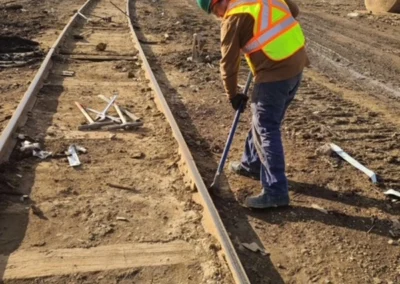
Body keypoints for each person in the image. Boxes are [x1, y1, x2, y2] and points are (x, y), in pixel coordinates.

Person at [196, 0, 310, 208]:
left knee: (266, 126)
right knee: (262, 119)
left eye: (215, 12)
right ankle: (251, 163)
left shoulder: (233, 17)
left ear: (217, 3)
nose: (219, 16)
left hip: (275, 74)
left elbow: (228, 62)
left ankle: (275, 191)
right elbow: (293, 10)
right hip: (296, 64)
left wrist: (232, 94)